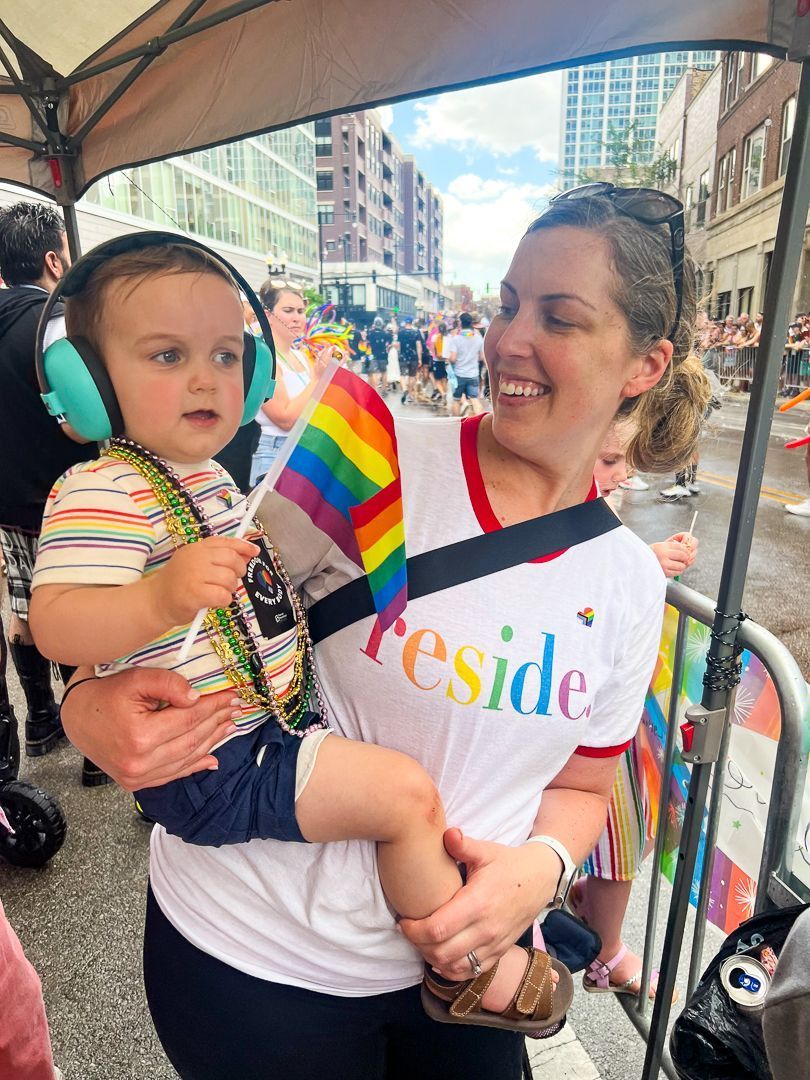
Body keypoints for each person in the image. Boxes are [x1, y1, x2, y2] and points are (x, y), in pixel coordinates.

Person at [59, 185, 710, 1080]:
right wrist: (87, 704)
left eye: (559, 317)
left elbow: (583, 784)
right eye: (508, 304)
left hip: (462, 982)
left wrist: (543, 869)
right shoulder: (370, 452)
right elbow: (192, 615)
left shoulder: (631, 582)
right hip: (250, 960)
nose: (509, 340)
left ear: (645, 363)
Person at [28, 236, 572, 1047]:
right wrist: (158, 598)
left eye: (225, 355)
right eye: (168, 355)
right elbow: (55, 622)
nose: (205, 378)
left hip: (262, 728)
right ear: (89, 384)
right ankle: (464, 966)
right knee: (403, 797)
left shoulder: (211, 478)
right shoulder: (102, 489)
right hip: (218, 758)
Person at [571, 420, 698, 998]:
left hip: (598, 702)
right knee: (619, 832)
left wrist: (646, 558)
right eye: (610, 460)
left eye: (625, 461)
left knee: (628, 828)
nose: (623, 475)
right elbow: (584, 589)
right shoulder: (559, 508)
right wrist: (644, 561)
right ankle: (607, 953)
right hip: (586, 709)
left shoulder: (585, 508)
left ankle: (595, 924)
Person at [0, 200, 106, 786]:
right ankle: (94, 748)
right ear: (52, 259)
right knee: (78, 616)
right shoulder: (56, 325)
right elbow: (84, 422)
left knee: (24, 610)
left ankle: (40, 720)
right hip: (64, 501)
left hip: (8, 502)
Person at [250, 285, 327, 484]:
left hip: (305, 450)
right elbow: (285, 420)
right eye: (288, 310)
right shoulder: (264, 358)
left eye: (301, 311)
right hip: (275, 454)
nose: (296, 318)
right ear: (268, 315)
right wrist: (318, 379)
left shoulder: (302, 357)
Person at [448, 311, 485, 417]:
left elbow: (453, 359)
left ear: (460, 323)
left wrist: (450, 360)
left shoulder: (456, 339)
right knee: (474, 399)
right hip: (473, 374)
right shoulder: (478, 338)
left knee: (456, 399)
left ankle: (456, 422)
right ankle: (479, 420)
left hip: (459, 374)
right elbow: (482, 357)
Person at [398, 315, 423, 404]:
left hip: (403, 357)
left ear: (405, 323)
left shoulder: (401, 332)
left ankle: (404, 389)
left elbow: (398, 345)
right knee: (412, 376)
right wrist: (419, 359)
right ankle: (409, 394)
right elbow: (419, 346)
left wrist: (399, 354)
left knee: (402, 375)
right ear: (412, 323)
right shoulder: (416, 332)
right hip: (413, 357)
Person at [366, 315, 391, 394]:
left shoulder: (370, 333)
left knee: (374, 373)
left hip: (373, 355)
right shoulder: (385, 334)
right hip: (383, 356)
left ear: (374, 324)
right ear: (382, 324)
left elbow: (367, 344)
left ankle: (375, 390)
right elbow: (389, 344)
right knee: (384, 372)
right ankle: (384, 390)